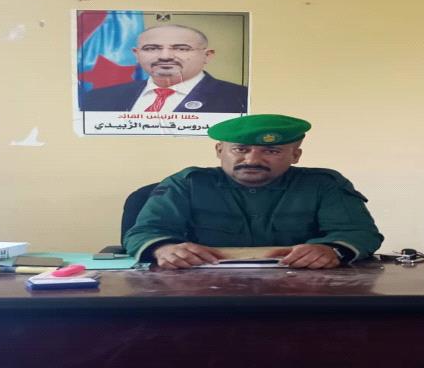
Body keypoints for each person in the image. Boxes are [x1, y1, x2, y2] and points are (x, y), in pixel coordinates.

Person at [123, 114, 384, 269]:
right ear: (219, 151)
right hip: (197, 294)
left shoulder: (324, 184)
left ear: (295, 155)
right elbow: (143, 233)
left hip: (302, 291)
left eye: (271, 151)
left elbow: (359, 233)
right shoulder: (188, 183)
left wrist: (331, 250)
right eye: (240, 149)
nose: (252, 159)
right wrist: (163, 249)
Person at [80, 24, 248, 113]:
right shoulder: (97, 98)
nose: (165, 56)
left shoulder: (241, 98)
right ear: (136, 54)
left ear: (207, 56)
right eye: (152, 48)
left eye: (181, 49)